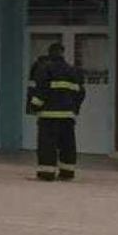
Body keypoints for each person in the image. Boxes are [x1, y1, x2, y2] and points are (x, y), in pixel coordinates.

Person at [28, 43, 85, 181]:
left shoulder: (45, 69)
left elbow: (41, 90)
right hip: (67, 116)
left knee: (47, 145)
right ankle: (67, 172)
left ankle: (46, 173)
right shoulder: (72, 70)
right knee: (67, 144)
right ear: (62, 53)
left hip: (48, 116)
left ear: (49, 53)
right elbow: (81, 93)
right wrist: (74, 108)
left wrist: (35, 107)